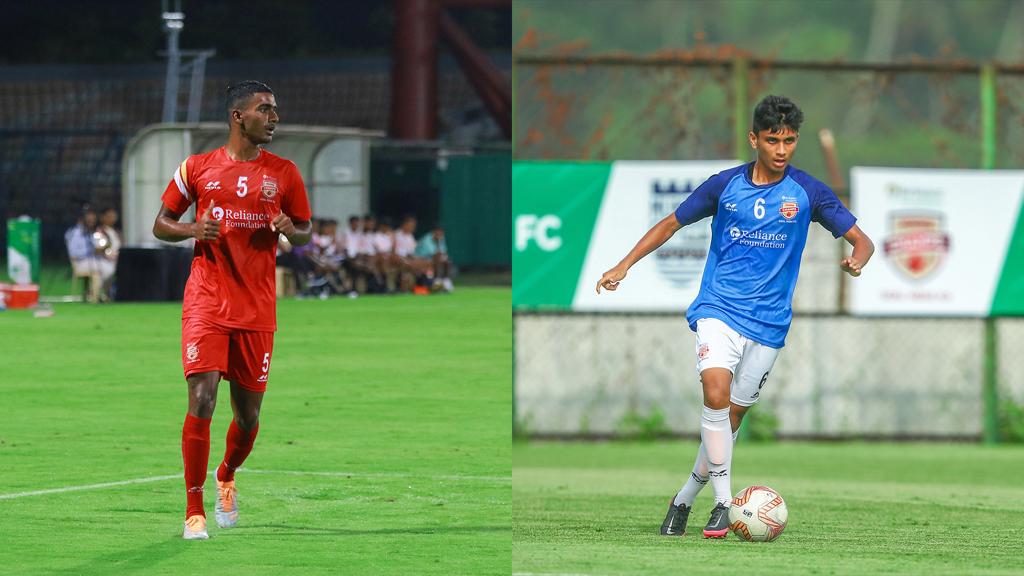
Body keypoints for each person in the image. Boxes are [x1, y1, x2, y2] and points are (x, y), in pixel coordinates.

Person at [596, 95, 874, 539]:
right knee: (715, 390)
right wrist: (623, 265)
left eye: (790, 141)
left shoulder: (808, 192)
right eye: (773, 140)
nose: (782, 150)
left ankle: (684, 499)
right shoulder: (724, 185)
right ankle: (725, 504)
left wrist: (858, 259)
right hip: (719, 308)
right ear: (754, 139)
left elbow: (862, 240)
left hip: (769, 324)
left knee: (729, 422)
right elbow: (670, 223)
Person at [152, 80, 312, 540]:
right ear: (238, 116)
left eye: (276, 109)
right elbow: (161, 223)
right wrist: (191, 230)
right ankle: (193, 510)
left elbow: (303, 230)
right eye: (266, 109)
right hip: (205, 299)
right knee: (202, 398)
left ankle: (226, 473)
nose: (275, 117)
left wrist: (289, 229)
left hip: (257, 309)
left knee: (248, 418)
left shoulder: (284, 173)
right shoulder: (197, 167)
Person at [414, 223, 453, 292]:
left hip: (432, 259)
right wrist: (438, 243)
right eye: (438, 231)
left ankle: (446, 280)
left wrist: (444, 257)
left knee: (447, 261)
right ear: (433, 232)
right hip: (420, 259)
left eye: (441, 232)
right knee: (438, 258)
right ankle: (437, 279)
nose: (440, 233)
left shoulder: (441, 238)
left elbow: (443, 252)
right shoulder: (426, 239)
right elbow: (434, 254)